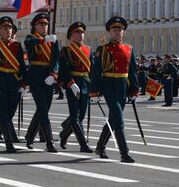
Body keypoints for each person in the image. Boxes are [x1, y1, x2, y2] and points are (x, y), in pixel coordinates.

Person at [90, 16, 139, 163]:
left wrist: (134, 90)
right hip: (108, 84)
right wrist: (94, 91)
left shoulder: (129, 49)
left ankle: (100, 146)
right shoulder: (103, 49)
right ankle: (124, 153)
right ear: (109, 32)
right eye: (114, 29)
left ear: (123, 32)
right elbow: (96, 71)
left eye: (120, 29)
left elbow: (133, 71)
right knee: (118, 118)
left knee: (113, 119)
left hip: (122, 86)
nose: (118, 32)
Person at [0, 16, 27, 153]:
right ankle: (9, 144)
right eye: (5, 28)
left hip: (14, 81)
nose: (8, 30)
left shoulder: (17, 46)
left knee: (10, 113)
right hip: (1, 82)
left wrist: (23, 83)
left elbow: (22, 66)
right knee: (4, 114)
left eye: (10, 28)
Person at [23, 13, 59, 152]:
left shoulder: (53, 40)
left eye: (46, 24)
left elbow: (56, 60)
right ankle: (49, 142)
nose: (44, 27)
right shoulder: (31, 38)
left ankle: (30, 136)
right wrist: (44, 40)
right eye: (41, 25)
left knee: (43, 109)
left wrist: (54, 74)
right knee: (43, 110)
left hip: (48, 77)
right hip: (36, 76)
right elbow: (28, 43)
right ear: (35, 26)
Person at [58, 22, 94, 153]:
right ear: (71, 36)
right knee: (75, 116)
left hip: (85, 83)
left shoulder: (89, 50)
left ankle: (64, 134)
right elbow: (64, 69)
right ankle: (83, 144)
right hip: (72, 84)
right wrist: (70, 83)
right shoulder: (66, 50)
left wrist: (95, 88)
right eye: (77, 33)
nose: (80, 35)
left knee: (81, 117)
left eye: (82, 32)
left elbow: (93, 70)